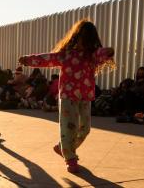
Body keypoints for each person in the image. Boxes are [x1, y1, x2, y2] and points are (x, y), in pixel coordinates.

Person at [19, 19, 115, 173]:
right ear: (75, 36)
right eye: (81, 37)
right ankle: (70, 157)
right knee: (69, 127)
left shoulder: (93, 56)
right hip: (67, 96)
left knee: (85, 129)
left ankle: (62, 147)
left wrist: (105, 51)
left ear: (92, 39)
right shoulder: (66, 55)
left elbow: (107, 51)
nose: (83, 41)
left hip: (85, 96)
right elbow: (47, 59)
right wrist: (28, 60)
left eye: (87, 38)